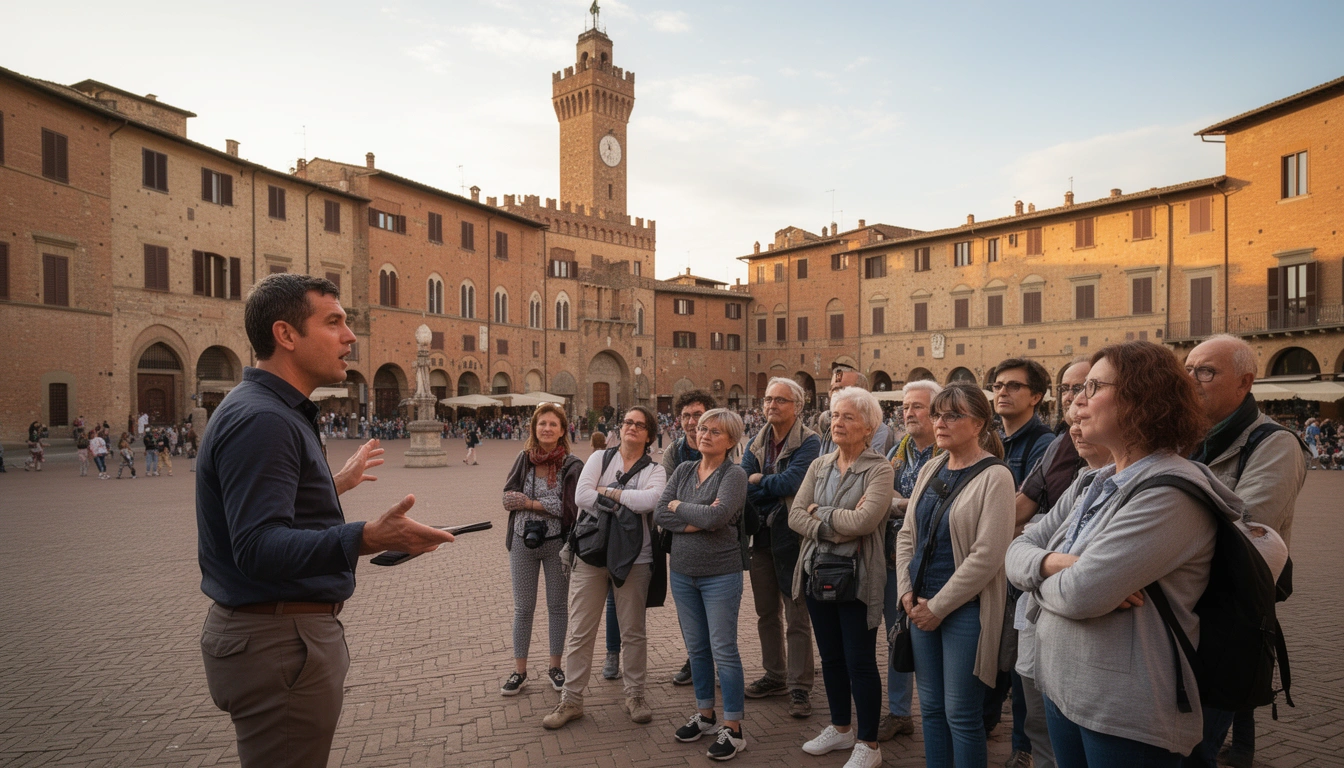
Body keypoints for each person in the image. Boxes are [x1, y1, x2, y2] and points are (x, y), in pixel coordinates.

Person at [196, 274, 454, 768]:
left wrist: (332, 485)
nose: (350, 336)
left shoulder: (265, 409)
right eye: (333, 322)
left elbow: (257, 509)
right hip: (278, 642)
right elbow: (257, 546)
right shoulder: (264, 419)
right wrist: (367, 537)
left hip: (275, 637)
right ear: (286, 335)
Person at [1004, 340, 1233, 765]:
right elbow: (1015, 550)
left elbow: (1081, 594)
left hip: (1122, 707)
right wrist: (1054, 563)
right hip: (1063, 685)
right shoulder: (1092, 481)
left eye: (1093, 387)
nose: (1077, 400)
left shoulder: (1170, 494)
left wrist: (1041, 578)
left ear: (1140, 399)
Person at [1184, 335, 1309, 768]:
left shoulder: (1276, 444)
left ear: (1245, 382)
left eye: (1206, 371)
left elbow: (1245, 528)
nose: (1191, 380)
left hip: (1228, 611)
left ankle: (1241, 748)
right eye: (1187, 369)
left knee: (1196, 745)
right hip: (1185, 608)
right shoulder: (1187, 436)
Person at [893, 383, 1014, 768]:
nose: (940, 423)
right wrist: (906, 592)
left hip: (966, 611)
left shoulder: (996, 476)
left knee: (961, 714)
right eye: (937, 414)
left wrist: (938, 607)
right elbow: (907, 534)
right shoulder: (932, 467)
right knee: (930, 709)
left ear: (978, 424)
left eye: (952, 415)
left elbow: (988, 555)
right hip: (919, 607)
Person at [544, 406, 668, 730]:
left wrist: (608, 492)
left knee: (633, 632)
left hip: (634, 559)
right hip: (591, 554)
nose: (632, 427)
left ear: (649, 435)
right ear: (620, 427)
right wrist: (625, 498)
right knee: (580, 630)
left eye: (639, 424)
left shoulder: (655, 470)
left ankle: (635, 695)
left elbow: (650, 501)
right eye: (627, 422)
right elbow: (581, 495)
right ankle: (572, 700)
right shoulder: (600, 458)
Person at [790, 387, 894, 768]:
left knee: (860, 661)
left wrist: (820, 514)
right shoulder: (820, 466)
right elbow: (795, 515)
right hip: (817, 573)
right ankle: (840, 727)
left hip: (858, 577)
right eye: (835, 415)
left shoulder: (880, 469)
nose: (838, 422)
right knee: (831, 657)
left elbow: (866, 521)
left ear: (868, 427)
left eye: (848, 417)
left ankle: (869, 744)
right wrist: (833, 526)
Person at [655, 408, 751, 760]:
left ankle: (734, 728)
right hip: (682, 573)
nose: (704, 434)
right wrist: (697, 518)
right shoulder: (683, 469)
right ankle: (706, 714)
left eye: (714, 431)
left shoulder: (734, 474)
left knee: (723, 649)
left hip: (720, 574)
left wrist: (680, 506)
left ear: (731, 440)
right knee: (696, 648)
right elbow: (660, 512)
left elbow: (718, 515)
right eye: (703, 429)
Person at [986, 357, 1056, 763]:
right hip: (993, 564)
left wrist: (986, 529)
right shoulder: (994, 439)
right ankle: (990, 724)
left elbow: (1029, 514)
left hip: (1020, 568)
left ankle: (1022, 748)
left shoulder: (1044, 444)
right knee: (997, 656)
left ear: (1036, 396)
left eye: (1014, 386)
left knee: (1018, 663)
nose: (1002, 392)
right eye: (998, 385)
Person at [741, 377, 822, 718]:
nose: (771, 405)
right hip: (761, 535)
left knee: (796, 614)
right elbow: (742, 483)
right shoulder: (756, 441)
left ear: (798, 407)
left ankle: (800, 685)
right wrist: (764, 486)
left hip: (793, 538)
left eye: (780, 400)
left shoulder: (810, 441)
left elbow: (795, 482)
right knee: (766, 612)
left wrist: (761, 480)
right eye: (768, 399)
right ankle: (775, 674)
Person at [500, 403, 584, 696]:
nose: (546, 428)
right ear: (534, 428)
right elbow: (507, 499)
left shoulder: (571, 465)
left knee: (558, 607)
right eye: (542, 424)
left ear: (562, 431)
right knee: (523, 609)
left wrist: (528, 503)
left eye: (552, 424)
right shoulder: (523, 459)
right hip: (522, 542)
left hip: (557, 545)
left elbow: (569, 508)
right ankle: (519, 671)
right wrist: (544, 505)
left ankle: (555, 667)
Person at [877, 379, 944, 742]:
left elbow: (937, 505)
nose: (909, 413)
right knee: (898, 636)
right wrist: (906, 504)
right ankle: (900, 712)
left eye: (918, 406)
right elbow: (879, 498)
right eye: (905, 407)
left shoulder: (948, 452)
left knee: (937, 642)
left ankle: (947, 714)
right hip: (896, 558)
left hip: (936, 564)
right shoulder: (897, 452)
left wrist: (900, 503)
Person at [645, 389, 717, 686]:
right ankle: (695, 659)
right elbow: (666, 502)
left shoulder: (723, 444)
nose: (691, 422)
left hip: (717, 545)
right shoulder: (674, 451)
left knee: (717, 608)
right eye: (686, 416)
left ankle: (716, 661)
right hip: (683, 542)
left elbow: (724, 502)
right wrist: (702, 514)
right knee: (688, 610)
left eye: (697, 415)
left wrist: (686, 506)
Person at [816, 366, 895, 458]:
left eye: (844, 389)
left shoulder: (879, 432)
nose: (837, 393)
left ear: (863, 393)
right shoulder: (831, 428)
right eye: (833, 389)